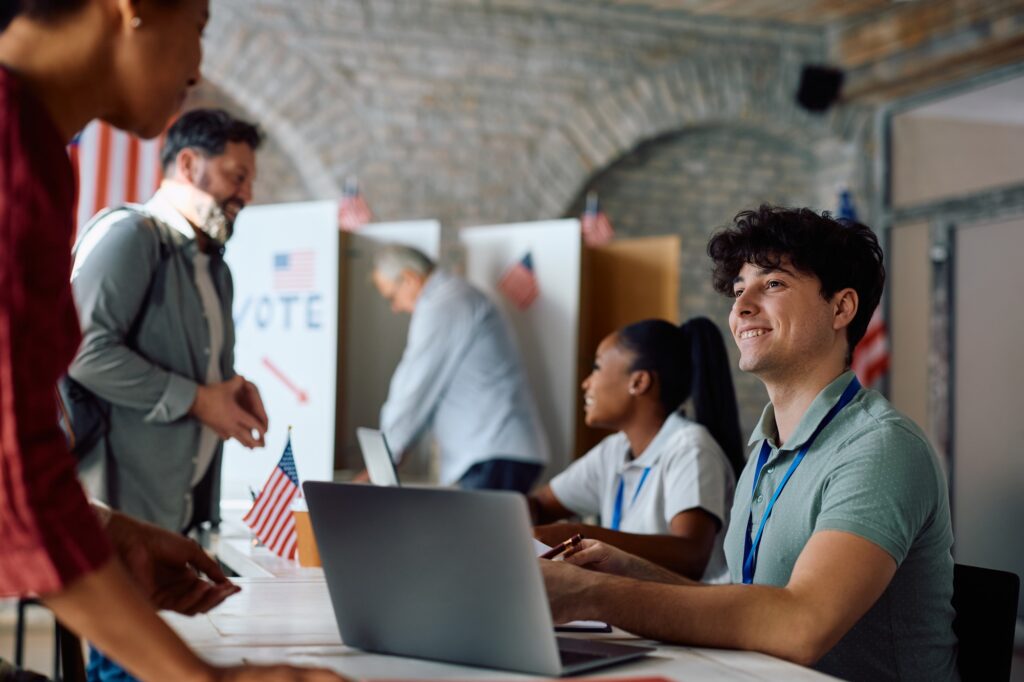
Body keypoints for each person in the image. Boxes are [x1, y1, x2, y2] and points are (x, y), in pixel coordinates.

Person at [0, 1, 344, 680]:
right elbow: (20, 459)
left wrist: (109, 531)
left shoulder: (40, 152)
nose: (198, 67)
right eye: (200, 26)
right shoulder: (27, 160)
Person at [541, 205, 957, 682]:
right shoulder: (765, 446)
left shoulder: (879, 447)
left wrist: (589, 595)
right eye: (739, 290)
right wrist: (625, 570)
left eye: (772, 284)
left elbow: (800, 623)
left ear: (841, 308)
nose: (740, 307)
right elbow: (747, 602)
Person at [70, 107, 268, 535]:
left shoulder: (217, 268)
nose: (247, 194)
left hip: (180, 517)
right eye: (237, 177)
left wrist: (228, 388)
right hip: (114, 519)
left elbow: (190, 367)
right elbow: (82, 353)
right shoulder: (129, 236)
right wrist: (199, 399)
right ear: (188, 165)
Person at [530, 317, 743, 582]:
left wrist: (579, 536)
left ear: (639, 382)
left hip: (687, 616)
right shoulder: (614, 450)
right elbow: (541, 504)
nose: (586, 383)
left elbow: (690, 556)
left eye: (596, 367)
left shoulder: (691, 448)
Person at [371, 244, 548, 492]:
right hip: (492, 452)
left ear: (410, 278)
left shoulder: (443, 303)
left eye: (392, 296)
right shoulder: (453, 297)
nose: (396, 307)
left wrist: (383, 457)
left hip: (493, 452)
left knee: (479, 532)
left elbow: (414, 385)